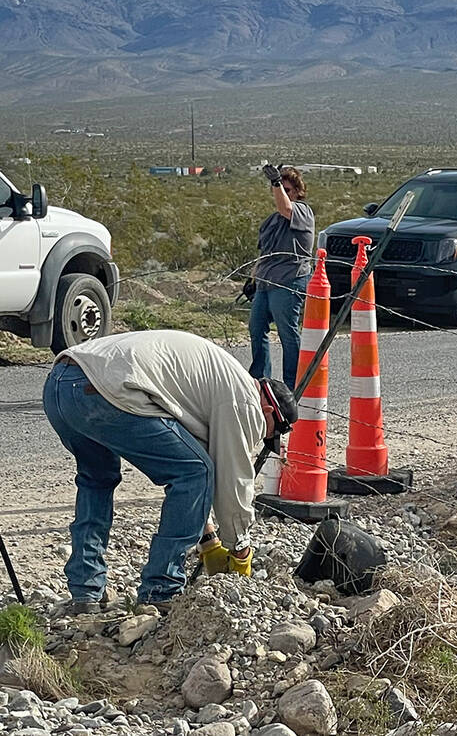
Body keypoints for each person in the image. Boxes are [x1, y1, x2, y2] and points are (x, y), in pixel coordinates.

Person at [42, 329, 297, 611]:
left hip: (61, 385)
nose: (262, 437)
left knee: (97, 480)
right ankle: (160, 590)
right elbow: (232, 481)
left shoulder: (213, 386)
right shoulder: (245, 401)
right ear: (270, 410)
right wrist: (239, 547)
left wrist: (210, 540)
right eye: (269, 432)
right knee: (195, 474)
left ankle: (86, 592)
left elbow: (195, 456)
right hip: (104, 391)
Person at [248, 165, 314, 387]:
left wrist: (277, 183)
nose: (283, 194)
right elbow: (265, 251)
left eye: (288, 190)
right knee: (256, 329)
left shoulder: (303, 212)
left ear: (297, 192)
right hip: (266, 281)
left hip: (289, 279)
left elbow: (287, 210)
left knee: (287, 332)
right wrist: (253, 278)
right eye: (279, 189)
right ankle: (260, 380)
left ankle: (292, 383)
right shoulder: (271, 220)